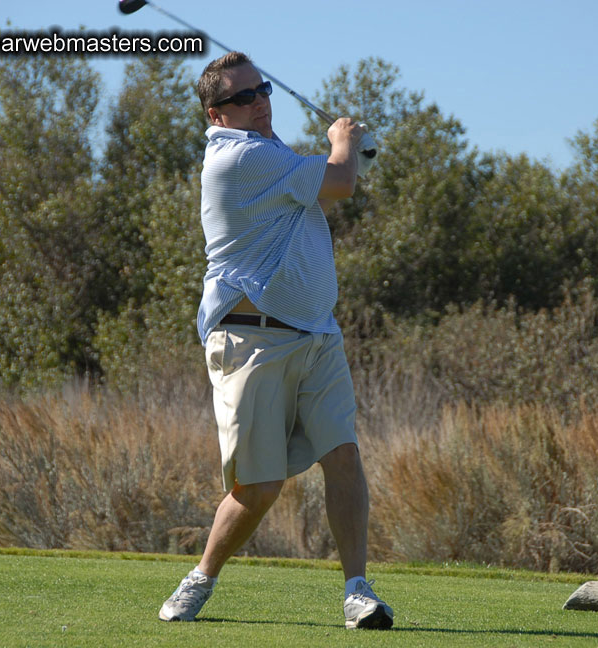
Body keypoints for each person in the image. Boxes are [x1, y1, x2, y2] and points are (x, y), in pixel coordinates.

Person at [157, 51, 393, 630]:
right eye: (242, 97)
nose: (258, 101)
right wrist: (342, 138)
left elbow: (331, 181)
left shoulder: (272, 152)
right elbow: (339, 181)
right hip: (251, 342)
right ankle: (202, 577)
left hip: (317, 335)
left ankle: (357, 591)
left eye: (262, 90)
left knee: (343, 455)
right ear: (217, 115)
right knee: (257, 487)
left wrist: (341, 151)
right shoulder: (236, 158)